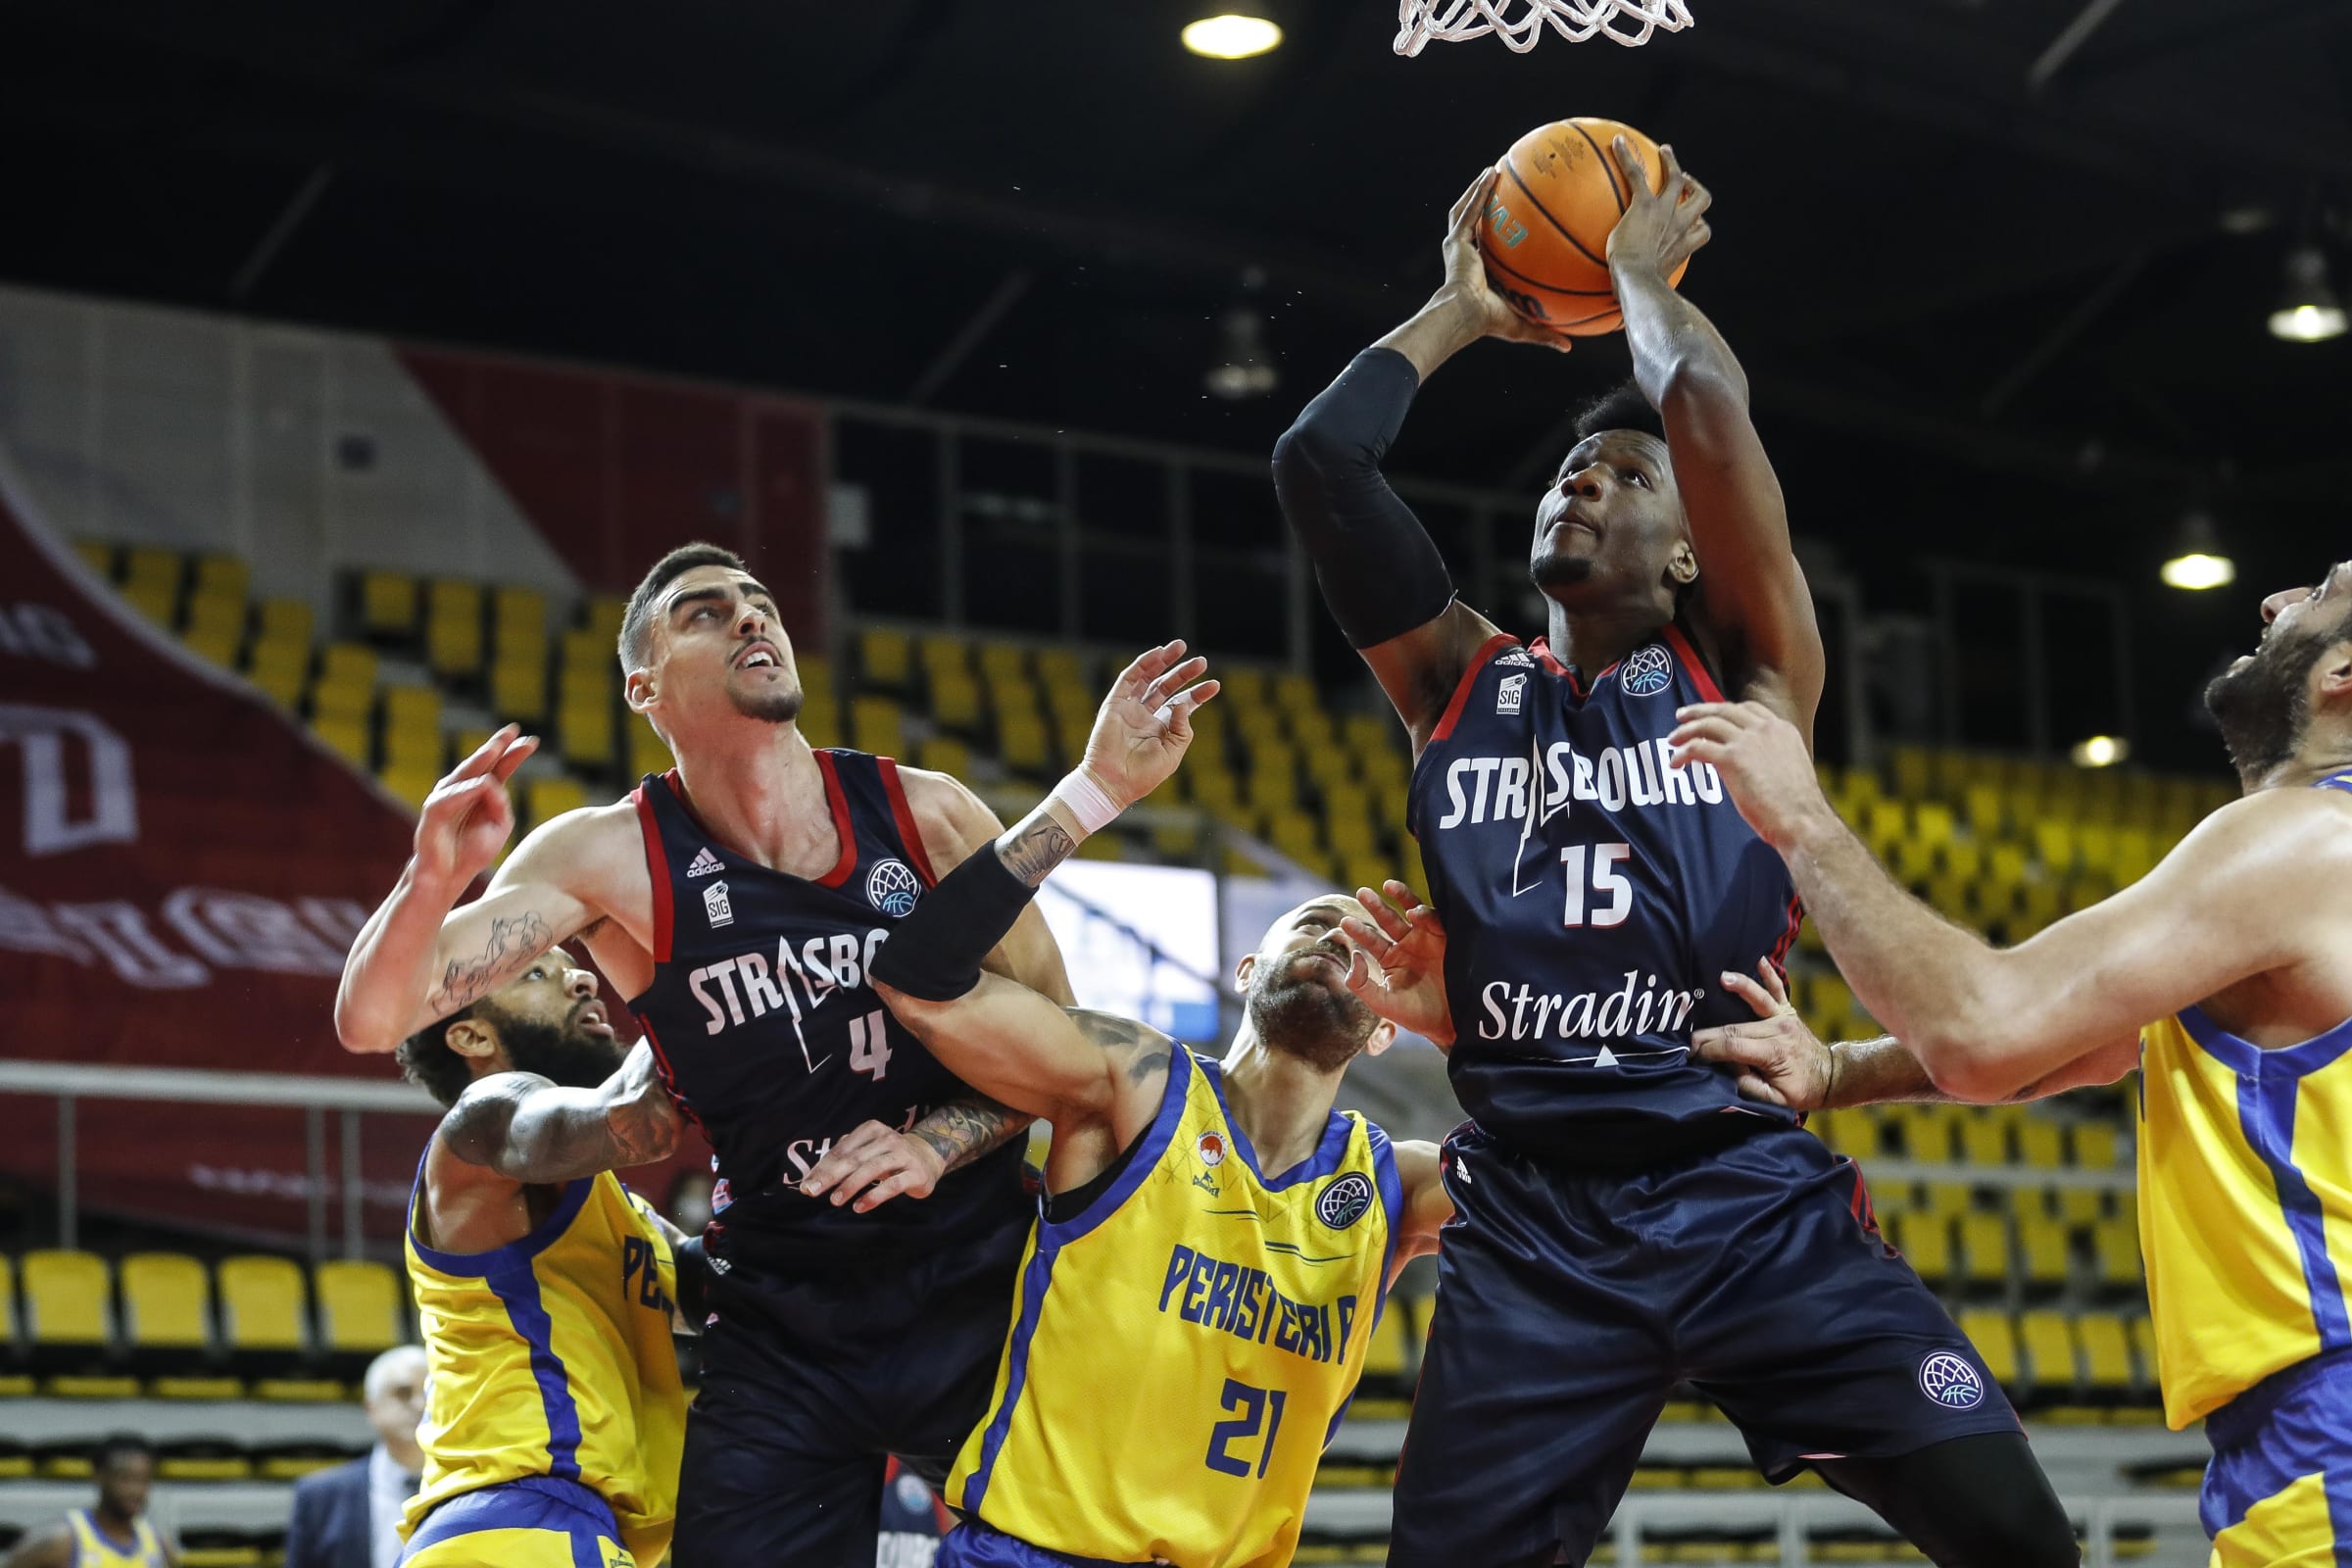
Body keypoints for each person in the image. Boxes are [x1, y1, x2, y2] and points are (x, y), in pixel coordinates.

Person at [1272, 146, 2075, 1568]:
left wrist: (1634, 275)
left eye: (1626, 474)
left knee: (2019, 1539)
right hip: (1531, 1220)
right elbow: (1319, 464)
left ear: (1691, 552)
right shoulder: (1457, 679)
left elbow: (1700, 396)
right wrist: (1462, 310)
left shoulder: (1750, 664)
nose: (1583, 481)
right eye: (1569, 470)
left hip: (1738, 1189)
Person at [336, 542, 1071, 1568]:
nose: (750, 618)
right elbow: (376, 1021)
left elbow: (1065, 1056)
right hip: (782, 1317)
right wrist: (430, 880)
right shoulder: (608, 856)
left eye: (760, 602)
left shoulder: (928, 812)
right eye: (705, 612)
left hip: (973, 1271)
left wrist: (936, 1143)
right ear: (645, 686)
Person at [1671, 562, 2352, 1568]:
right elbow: (2085, 1046)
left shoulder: (2303, 841)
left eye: (2323, 592)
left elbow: (1982, 1034)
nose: (2277, 602)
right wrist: (1842, 1070)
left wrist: (1801, 820)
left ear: (2345, 672)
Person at [846, 642, 1453, 1568]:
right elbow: (919, 981)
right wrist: (1092, 794)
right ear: (1247, 969)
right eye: (1313, 922)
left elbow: (1576, 1183)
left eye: (1367, 945)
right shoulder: (1133, 1081)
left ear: (1386, 1032)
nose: (1340, 939)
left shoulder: (1395, 1187)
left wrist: (1463, 1030)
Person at [283, 1345, 427, 1568]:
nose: (420, 1405)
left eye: (429, 1393)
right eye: (403, 1393)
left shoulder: (472, 1488)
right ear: (371, 1408)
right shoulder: (319, 1497)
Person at [2, 1435, 175, 1568]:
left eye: (143, 1480)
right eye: (125, 1479)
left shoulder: (159, 1544)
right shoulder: (61, 1540)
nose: (135, 1490)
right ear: (99, 1476)